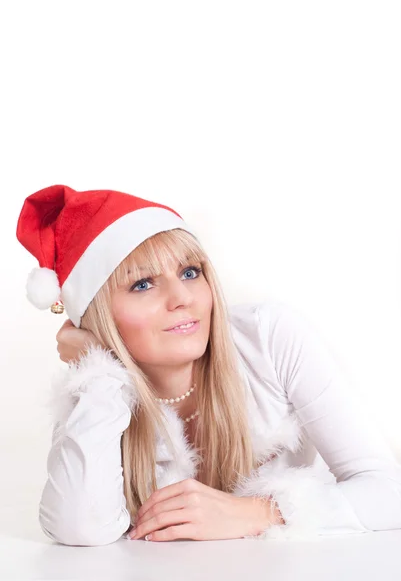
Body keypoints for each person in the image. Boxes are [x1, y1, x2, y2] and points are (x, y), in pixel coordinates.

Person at [16, 184, 401, 547]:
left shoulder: (269, 340)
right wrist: (96, 371)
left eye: (189, 272)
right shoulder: (95, 392)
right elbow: (79, 527)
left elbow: (388, 492)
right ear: (96, 315)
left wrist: (257, 512)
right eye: (143, 285)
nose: (182, 297)